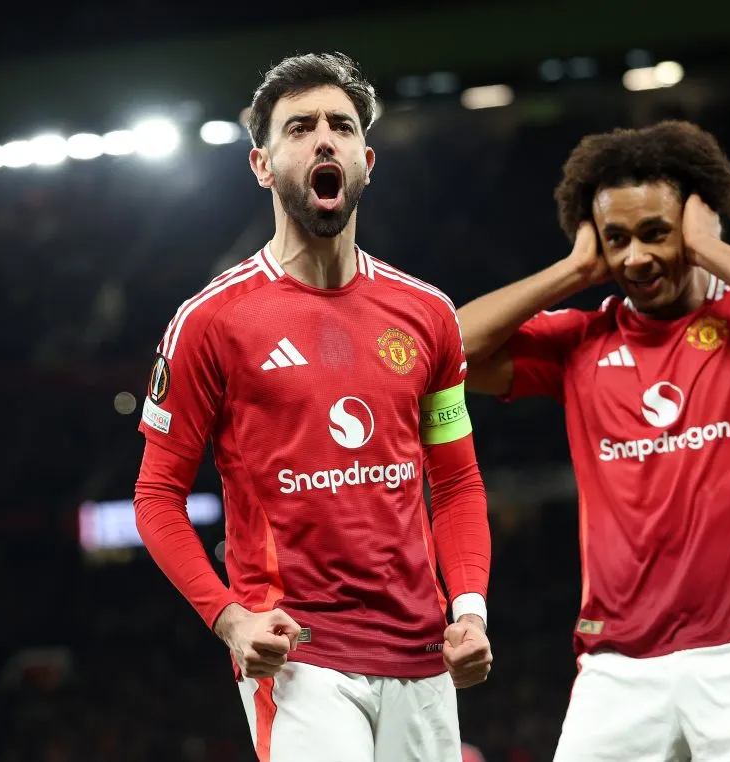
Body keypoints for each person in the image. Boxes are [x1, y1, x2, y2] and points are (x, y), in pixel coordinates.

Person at [457, 120, 730, 762]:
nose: (636, 258)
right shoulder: (582, 341)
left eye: (656, 233)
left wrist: (710, 249)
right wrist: (573, 270)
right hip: (618, 663)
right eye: (617, 240)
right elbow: (449, 350)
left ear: (698, 226)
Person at [133, 52, 492, 762]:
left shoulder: (429, 315)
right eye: (299, 128)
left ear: (367, 158)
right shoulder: (212, 321)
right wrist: (230, 618)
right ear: (262, 164)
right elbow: (156, 495)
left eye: (341, 125)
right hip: (299, 657)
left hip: (423, 654)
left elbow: (455, 481)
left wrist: (470, 610)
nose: (323, 138)